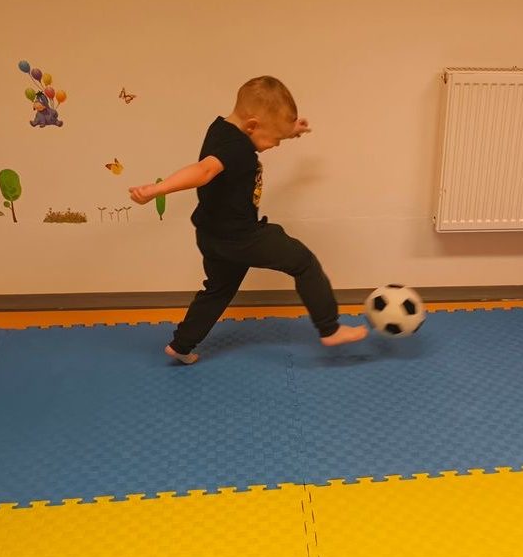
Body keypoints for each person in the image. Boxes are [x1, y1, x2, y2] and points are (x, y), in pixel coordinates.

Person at [129, 75, 368, 364]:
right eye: (275, 139)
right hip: (241, 237)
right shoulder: (237, 148)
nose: (276, 145)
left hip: (211, 235)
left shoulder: (221, 129)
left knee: (218, 290)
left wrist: (290, 130)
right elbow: (203, 171)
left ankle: (181, 345)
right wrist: (158, 189)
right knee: (304, 263)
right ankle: (330, 329)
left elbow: (252, 138)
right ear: (252, 126)